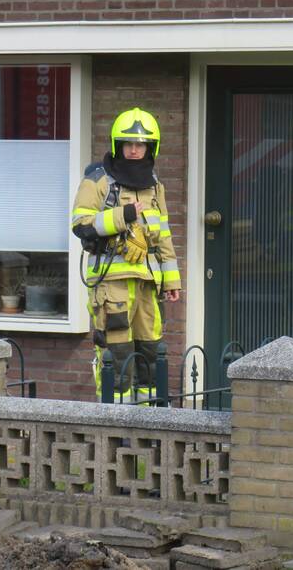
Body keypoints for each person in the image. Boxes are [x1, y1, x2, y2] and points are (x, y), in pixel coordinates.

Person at [71, 107, 182, 401]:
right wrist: (124, 214)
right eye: (128, 144)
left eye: (140, 145)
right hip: (112, 285)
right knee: (116, 354)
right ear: (117, 145)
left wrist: (172, 282)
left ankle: (148, 423)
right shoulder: (97, 181)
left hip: (148, 284)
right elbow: (80, 225)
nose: (134, 150)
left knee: (149, 351)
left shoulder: (155, 186)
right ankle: (115, 424)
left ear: (150, 147)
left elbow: (164, 235)